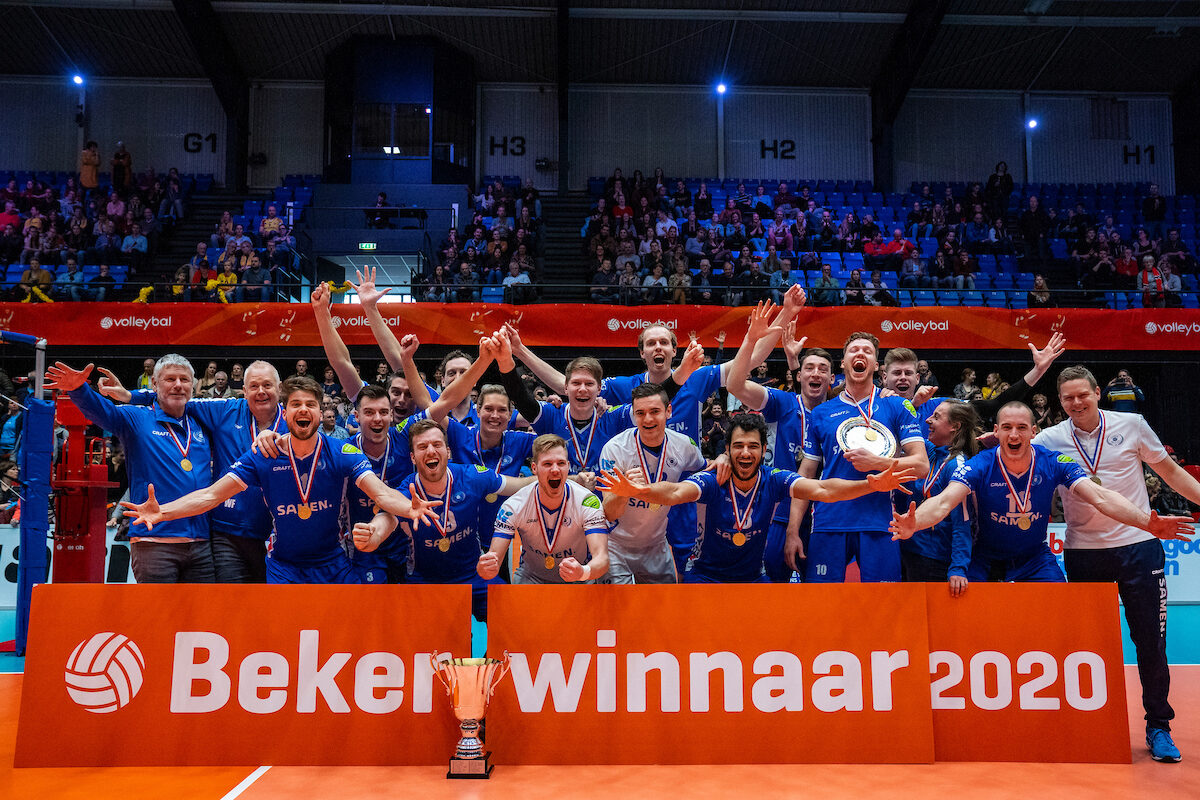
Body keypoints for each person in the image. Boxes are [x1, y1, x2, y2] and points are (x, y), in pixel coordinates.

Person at [121, 376, 440, 584]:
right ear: (285, 413)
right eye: (297, 404)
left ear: (320, 412)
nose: (304, 410)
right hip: (283, 568)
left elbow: (381, 493)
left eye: (311, 405)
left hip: (334, 565)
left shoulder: (341, 451)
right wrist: (164, 511)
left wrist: (408, 508)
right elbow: (211, 496)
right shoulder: (264, 455)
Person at [1035, 366, 1200, 763]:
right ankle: (1094, 725)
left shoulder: (1132, 424)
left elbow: (1171, 473)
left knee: (1151, 642)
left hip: (1139, 547)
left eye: (1083, 395)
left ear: (1097, 392)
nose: (1077, 403)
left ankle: (1158, 726)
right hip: (1084, 552)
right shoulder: (1049, 439)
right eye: (1068, 398)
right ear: (1060, 402)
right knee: (1088, 646)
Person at [892, 401, 1191, 592]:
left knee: (1060, 608)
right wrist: (914, 523)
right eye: (1007, 428)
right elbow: (944, 501)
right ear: (996, 431)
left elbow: (1100, 497)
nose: (1014, 435)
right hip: (985, 558)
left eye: (1021, 428)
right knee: (967, 613)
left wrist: (1146, 522)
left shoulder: (1054, 462)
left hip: (1033, 558)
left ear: (1033, 432)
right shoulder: (980, 465)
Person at [600, 413, 914, 582]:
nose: (745, 453)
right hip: (706, 577)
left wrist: (871, 485)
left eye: (753, 446)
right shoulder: (715, 479)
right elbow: (676, 492)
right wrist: (639, 491)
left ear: (764, 450)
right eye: (738, 446)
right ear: (727, 450)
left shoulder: (774, 479)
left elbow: (823, 490)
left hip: (752, 578)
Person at [99, 360, 283, 583]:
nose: (261, 391)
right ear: (244, 391)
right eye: (254, 386)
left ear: (279, 388)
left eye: (267, 385)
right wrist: (130, 396)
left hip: (278, 536)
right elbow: (177, 397)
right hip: (228, 534)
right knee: (230, 601)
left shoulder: (292, 423)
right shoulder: (225, 410)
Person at [47, 356, 215, 583]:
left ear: (193, 385)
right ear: (154, 384)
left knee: (202, 608)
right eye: (170, 379)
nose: (178, 385)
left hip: (201, 544)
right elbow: (103, 411)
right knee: (156, 607)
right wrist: (79, 390)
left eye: (184, 379)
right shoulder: (136, 417)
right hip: (154, 543)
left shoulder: (202, 422)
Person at [359, 419, 533, 619]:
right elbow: (387, 518)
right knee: (415, 632)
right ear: (413, 458)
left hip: (473, 574)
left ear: (448, 452)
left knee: (514, 614)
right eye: (422, 447)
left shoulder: (471, 477)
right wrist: (374, 534)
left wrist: (559, 479)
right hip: (425, 581)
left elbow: (518, 486)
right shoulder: (408, 491)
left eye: (437, 444)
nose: (431, 451)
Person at [791, 332, 930, 583]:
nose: (860, 354)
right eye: (854, 350)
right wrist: (792, 531)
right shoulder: (821, 412)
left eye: (868, 351)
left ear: (876, 366)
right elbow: (806, 474)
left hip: (880, 521)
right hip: (829, 520)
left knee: (883, 601)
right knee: (823, 601)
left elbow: (921, 465)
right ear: (843, 363)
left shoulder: (897, 406)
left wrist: (877, 463)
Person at [597, 383, 722, 584]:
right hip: (616, 545)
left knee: (664, 603)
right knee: (618, 604)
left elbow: (706, 469)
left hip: (656, 544)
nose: (647, 419)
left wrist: (723, 457)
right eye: (640, 413)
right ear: (633, 415)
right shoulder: (614, 449)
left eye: (655, 411)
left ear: (668, 411)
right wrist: (625, 491)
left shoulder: (684, 445)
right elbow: (610, 513)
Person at [479, 434, 610, 584]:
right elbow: (495, 557)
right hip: (531, 578)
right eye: (547, 464)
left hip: (578, 578)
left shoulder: (587, 501)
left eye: (561, 463)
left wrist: (582, 572)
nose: (555, 470)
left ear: (568, 466)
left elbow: (602, 559)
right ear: (534, 468)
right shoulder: (514, 505)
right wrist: (488, 568)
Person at [901, 401, 980, 581]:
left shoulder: (957, 466)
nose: (928, 420)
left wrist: (958, 568)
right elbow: (907, 434)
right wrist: (911, 403)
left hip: (934, 558)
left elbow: (962, 522)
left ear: (955, 426)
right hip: (908, 548)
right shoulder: (931, 451)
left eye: (936, 417)